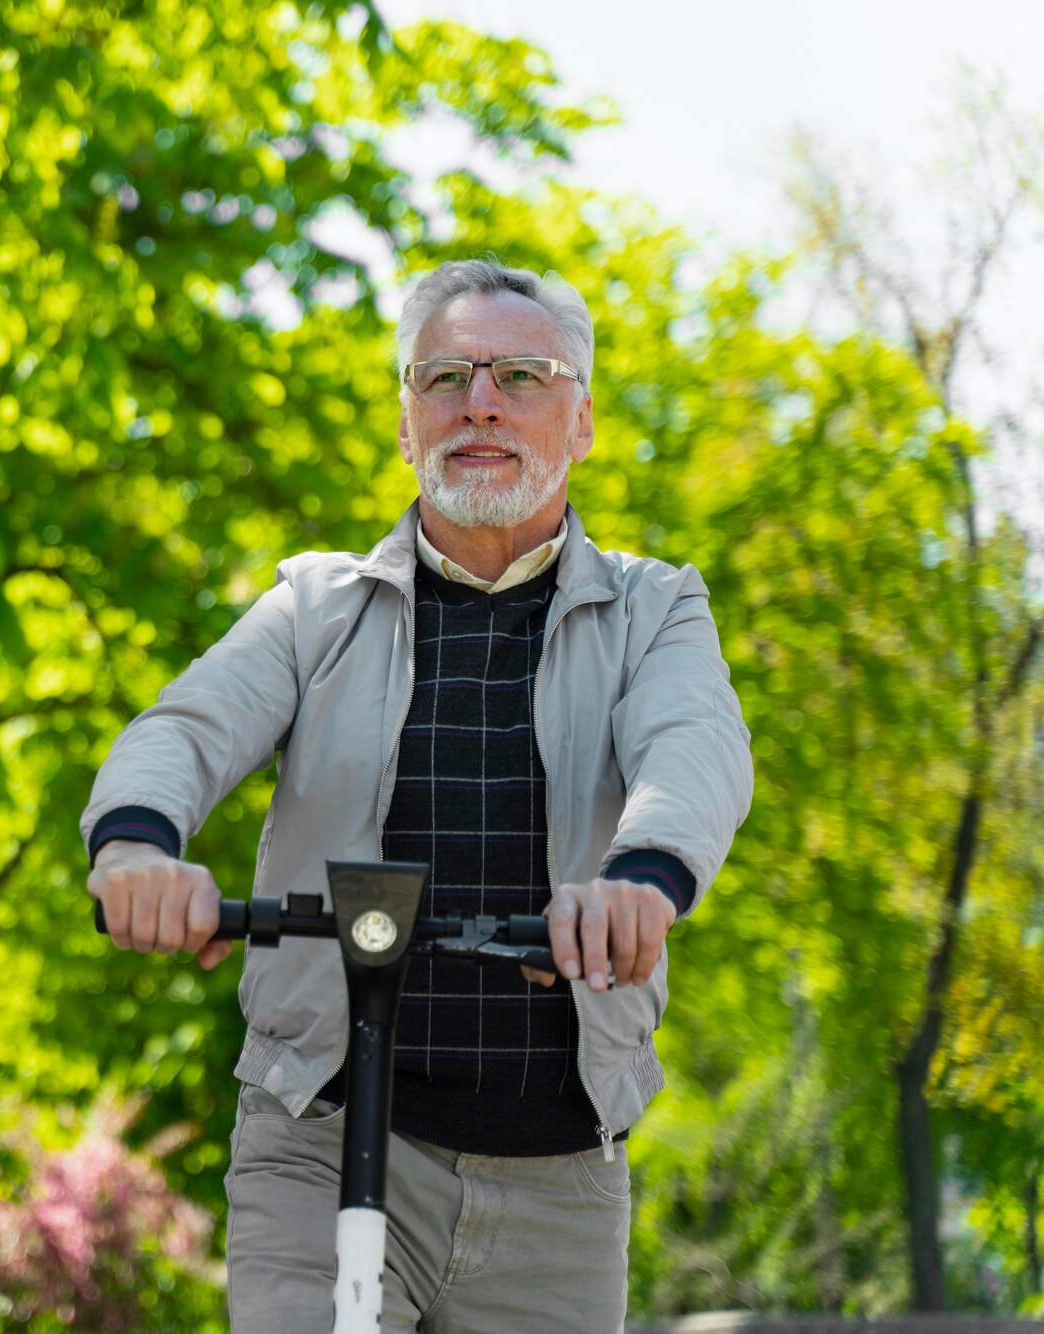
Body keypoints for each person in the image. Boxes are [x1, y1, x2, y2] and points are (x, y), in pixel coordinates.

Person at [81, 258, 753, 1332]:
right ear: (404, 424)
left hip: (557, 1178)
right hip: (321, 1133)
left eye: (520, 376)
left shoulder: (655, 610)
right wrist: (134, 850)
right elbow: (184, 730)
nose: (478, 402)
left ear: (579, 421)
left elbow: (693, 750)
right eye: (444, 377)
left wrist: (638, 881)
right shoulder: (312, 607)